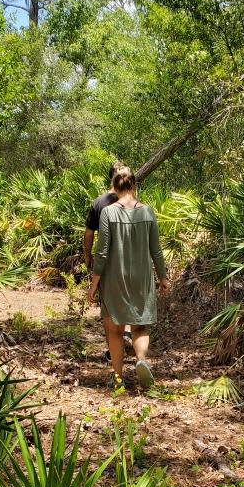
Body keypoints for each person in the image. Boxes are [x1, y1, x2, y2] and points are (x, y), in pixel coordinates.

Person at [87, 166, 168, 388]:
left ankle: (118, 378)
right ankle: (141, 361)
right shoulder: (147, 212)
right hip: (142, 277)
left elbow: (102, 251)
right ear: (134, 185)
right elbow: (156, 250)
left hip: (114, 278)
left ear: (114, 187)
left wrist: (94, 284)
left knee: (115, 329)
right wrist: (163, 277)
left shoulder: (108, 212)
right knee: (140, 326)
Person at [84, 161, 132, 359]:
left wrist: (88, 256)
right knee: (129, 298)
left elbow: (89, 234)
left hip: (107, 263)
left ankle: (114, 352)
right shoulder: (133, 202)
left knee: (108, 308)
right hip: (130, 259)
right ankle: (128, 333)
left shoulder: (99, 202)